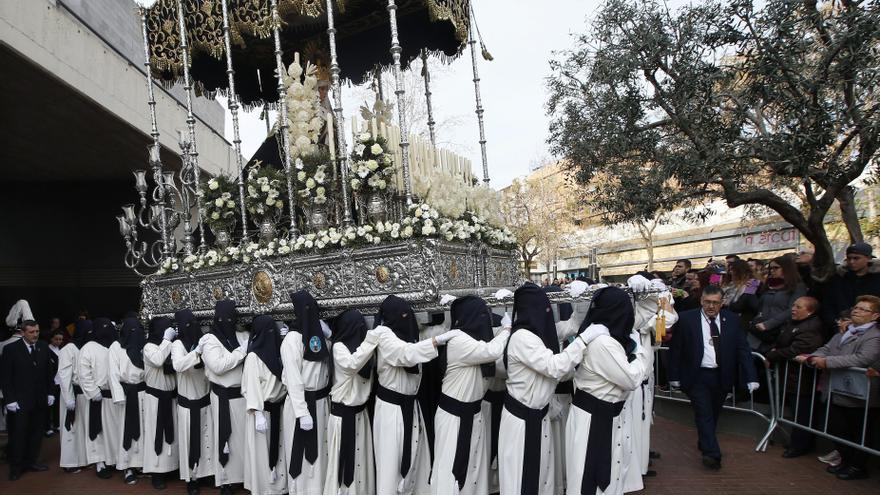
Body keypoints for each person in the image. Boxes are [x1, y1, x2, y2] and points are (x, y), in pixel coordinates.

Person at [497, 281, 594, 494]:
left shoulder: (538, 333)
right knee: (522, 479)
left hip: (537, 415)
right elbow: (554, 366)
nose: (548, 313)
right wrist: (585, 340)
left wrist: (581, 300)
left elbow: (573, 324)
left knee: (541, 476)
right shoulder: (523, 337)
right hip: (522, 421)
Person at [565, 287, 650, 495]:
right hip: (595, 418)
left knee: (612, 475)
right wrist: (640, 353)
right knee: (591, 480)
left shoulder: (607, 338)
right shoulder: (603, 342)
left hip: (604, 415)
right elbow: (632, 378)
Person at [371, 295, 456, 495]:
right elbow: (406, 355)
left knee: (418, 463)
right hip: (391, 412)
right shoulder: (384, 338)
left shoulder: (413, 337)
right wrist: (436, 340)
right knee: (391, 468)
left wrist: (449, 307)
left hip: (411, 408)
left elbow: (444, 331)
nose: (406, 319)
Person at [668, 285, 759, 470]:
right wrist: (673, 376)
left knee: (713, 413)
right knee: (704, 413)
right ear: (701, 301)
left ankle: (705, 441)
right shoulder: (686, 319)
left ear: (722, 303)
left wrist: (751, 377)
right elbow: (676, 349)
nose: (711, 306)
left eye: (715, 303)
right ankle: (712, 454)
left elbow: (743, 349)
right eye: (707, 302)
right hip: (697, 376)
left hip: (722, 376)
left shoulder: (732, 320)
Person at [430, 296, 511, 495]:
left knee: (475, 472)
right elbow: (491, 351)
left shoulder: (472, 340)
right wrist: (507, 330)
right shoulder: (459, 340)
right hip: (454, 418)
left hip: (474, 415)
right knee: (450, 472)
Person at [797, 295, 880, 480]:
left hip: (861, 392)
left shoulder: (874, 336)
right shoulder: (844, 333)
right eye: (856, 307)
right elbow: (826, 348)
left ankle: (857, 466)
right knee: (838, 427)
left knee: (859, 430)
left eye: (863, 309)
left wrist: (826, 362)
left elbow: (862, 358)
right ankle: (846, 459)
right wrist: (813, 358)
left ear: (875, 316)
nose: (856, 311)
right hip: (838, 388)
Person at [625, 276, 678, 483]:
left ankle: (642, 464)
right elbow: (667, 321)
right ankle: (637, 468)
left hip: (647, 374)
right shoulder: (636, 316)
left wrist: (665, 302)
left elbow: (661, 332)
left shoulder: (646, 314)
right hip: (637, 377)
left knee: (644, 421)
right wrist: (664, 302)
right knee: (636, 424)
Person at [324, 309, 382, 495]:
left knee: (362, 460)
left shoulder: (367, 351)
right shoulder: (339, 347)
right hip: (343, 416)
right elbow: (351, 365)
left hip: (361, 415)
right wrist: (372, 339)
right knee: (342, 463)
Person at [281, 291, 333, 495]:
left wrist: (329, 336)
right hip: (300, 405)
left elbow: (326, 364)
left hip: (321, 402)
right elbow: (293, 379)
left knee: (321, 451)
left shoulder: (317, 336)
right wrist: (302, 412)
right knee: (300, 454)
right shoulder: (292, 340)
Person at [198, 300, 250, 495]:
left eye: (231, 318)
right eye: (223, 318)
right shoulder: (210, 340)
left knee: (244, 439)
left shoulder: (242, 335)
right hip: (222, 398)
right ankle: (226, 481)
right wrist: (241, 351)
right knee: (225, 438)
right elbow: (218, 366)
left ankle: (246, 477)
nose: (227, 321)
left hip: (242, 396)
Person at [763, 297, 824, 458]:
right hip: (791, 377)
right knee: (796, 411)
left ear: (809, 311)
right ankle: (797, 442)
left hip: (802, 379)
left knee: (802, 413)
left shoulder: (810, 328)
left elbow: (795, 349)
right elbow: (783, 343)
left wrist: (774, 354)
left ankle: (800, 445)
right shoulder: (794, 323)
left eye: (798, 307)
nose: (793, 309)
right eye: (793, 305)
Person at [241, 315, 288, 495]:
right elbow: (251, 385)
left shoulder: (277, 351)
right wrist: (257, 412)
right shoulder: (253, 356)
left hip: (279, 408)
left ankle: (279, 488)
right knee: (262, 453)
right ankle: (263, 488)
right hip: (262, 412)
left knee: (279, 448)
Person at [1, 320, 53, 480]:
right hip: (19, 401)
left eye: (37, 331)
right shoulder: (11, 349)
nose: (35, 335)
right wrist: (10, 399)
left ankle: (31, 461)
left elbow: (49, 373)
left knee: (37, 433)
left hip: (39, 399)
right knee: (18, 435)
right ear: (23, 332)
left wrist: (50, 393)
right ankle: (16, 467)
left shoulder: (43, 347)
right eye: (31, 332)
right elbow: (5, 376)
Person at [170, 309, 213, 495]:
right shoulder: (178, 344)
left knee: (207, 438)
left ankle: (206, 473)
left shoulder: (202, 339)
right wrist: (196, 352)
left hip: (205, 400)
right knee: (190, 440)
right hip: (188, 404)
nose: (191, 327)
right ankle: (192, 477)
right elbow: (178, 365)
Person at [77, 317, 121, 478]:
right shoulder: (89, 347)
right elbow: (83, 372)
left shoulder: (116, 345)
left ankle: (116, 459)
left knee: (116, 430)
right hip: (99, 396)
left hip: (116, 396)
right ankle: (99, 462)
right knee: (98, 430)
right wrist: (93, 392)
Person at [142, 317, 179, 489]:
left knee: (173, 433)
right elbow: (158, 360)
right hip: (155, 399)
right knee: (156, 434)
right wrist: (166, 340)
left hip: (171, 397)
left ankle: (172, 468)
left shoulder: (171, 344)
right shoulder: (149, 347)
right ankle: (157, 472)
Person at [109, 316, 147, 484]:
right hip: (126, 396)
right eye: (132, 331)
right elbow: (112, 374)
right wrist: (118, 396)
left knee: (145, 429)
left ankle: (142, 463)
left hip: (144, 394)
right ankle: (127, 466)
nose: (135, 334)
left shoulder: (145, 346)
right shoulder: (116, 347)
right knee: (126, 429)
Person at [819, 242, 880, 336]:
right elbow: (827, 304)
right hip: (838, 329)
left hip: (871, 330)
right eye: (849, 258)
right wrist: (836, 323)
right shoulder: (837, 278)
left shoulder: (877, 279)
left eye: (856, 258)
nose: (852, 262)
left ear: (868, 258)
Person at [750, 256, 806, 352]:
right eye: (770, 268)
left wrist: (768, 324)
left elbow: (791, 310)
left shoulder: (797, 287)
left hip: (778, 332)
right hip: (757, 332)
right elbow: (759, 306)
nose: (772, 271)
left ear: (786, 268)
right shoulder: (768, 285)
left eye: (776, 268)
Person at [57, 319, 92, 473]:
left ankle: (83, 458)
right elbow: (64, 375)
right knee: (70, 428)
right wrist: (69, 398)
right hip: (71, 394)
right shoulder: (68, 349)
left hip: (84, 394)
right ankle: (69, 462)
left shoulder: (86, 347)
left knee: (82, 428)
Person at [724, 259, 760, 330]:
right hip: (730, 317)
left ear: (740, 270)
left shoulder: (753, 282)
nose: (730, 272)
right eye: (730, 270)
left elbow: (744, 304)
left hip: (744, 320)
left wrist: (727, 303)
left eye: (732, 270)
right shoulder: (731, 284)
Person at [47, 330, 64, 436]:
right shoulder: (47, 350)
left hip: (59, 382)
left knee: (58, 405)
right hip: (51, 381)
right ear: (51, 338)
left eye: (60, 339)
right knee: (49, 406)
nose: (58, 341)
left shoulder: (61, 350)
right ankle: (48, 426)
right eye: (56, 339)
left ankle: (57, 424)